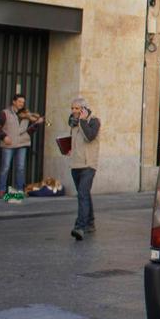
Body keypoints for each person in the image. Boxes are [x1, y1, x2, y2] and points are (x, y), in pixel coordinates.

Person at [0, 93, 42, 204]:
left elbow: (29, 131)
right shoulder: (5, 113)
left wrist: (36, 124)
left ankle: (20, 191)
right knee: (5, 167)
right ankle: (1, 190)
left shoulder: (26, 115)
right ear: (14, 102)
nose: (21, 104)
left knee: (20, 168)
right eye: (20, 102)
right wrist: (3, 137)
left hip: (22, 144)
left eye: (23, 102)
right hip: (8, 144)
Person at [68, 97, 101, 241]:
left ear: (83, 109)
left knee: (82, 194)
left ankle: (80, 227)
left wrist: (82, 121)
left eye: (77, 108)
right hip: (75, 164)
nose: (74, 111)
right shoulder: (73, 124)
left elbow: (89, 137)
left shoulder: (93, 121)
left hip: (88, 165)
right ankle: (90, 223)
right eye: (72, 108)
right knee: (84, 194)